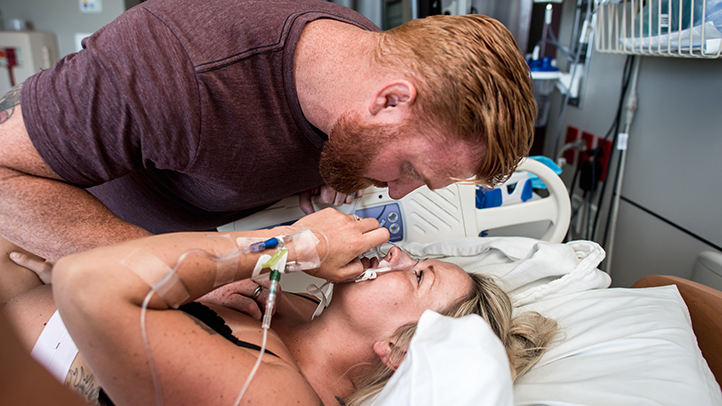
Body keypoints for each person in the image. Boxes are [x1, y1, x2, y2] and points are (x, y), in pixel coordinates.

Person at [0, 0, 536, 277]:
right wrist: (204, 269)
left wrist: (319, 183)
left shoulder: (361, 60)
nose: (397, 193)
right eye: (412, 170)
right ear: (391, 101)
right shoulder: (171, 71)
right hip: (47, 223)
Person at [3, 209, 557, 406]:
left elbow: (88, 282)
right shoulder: (288, 311)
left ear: (396, 349)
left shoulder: (276, 394)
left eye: (417, 275)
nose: (399, 254)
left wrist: (291, 244)